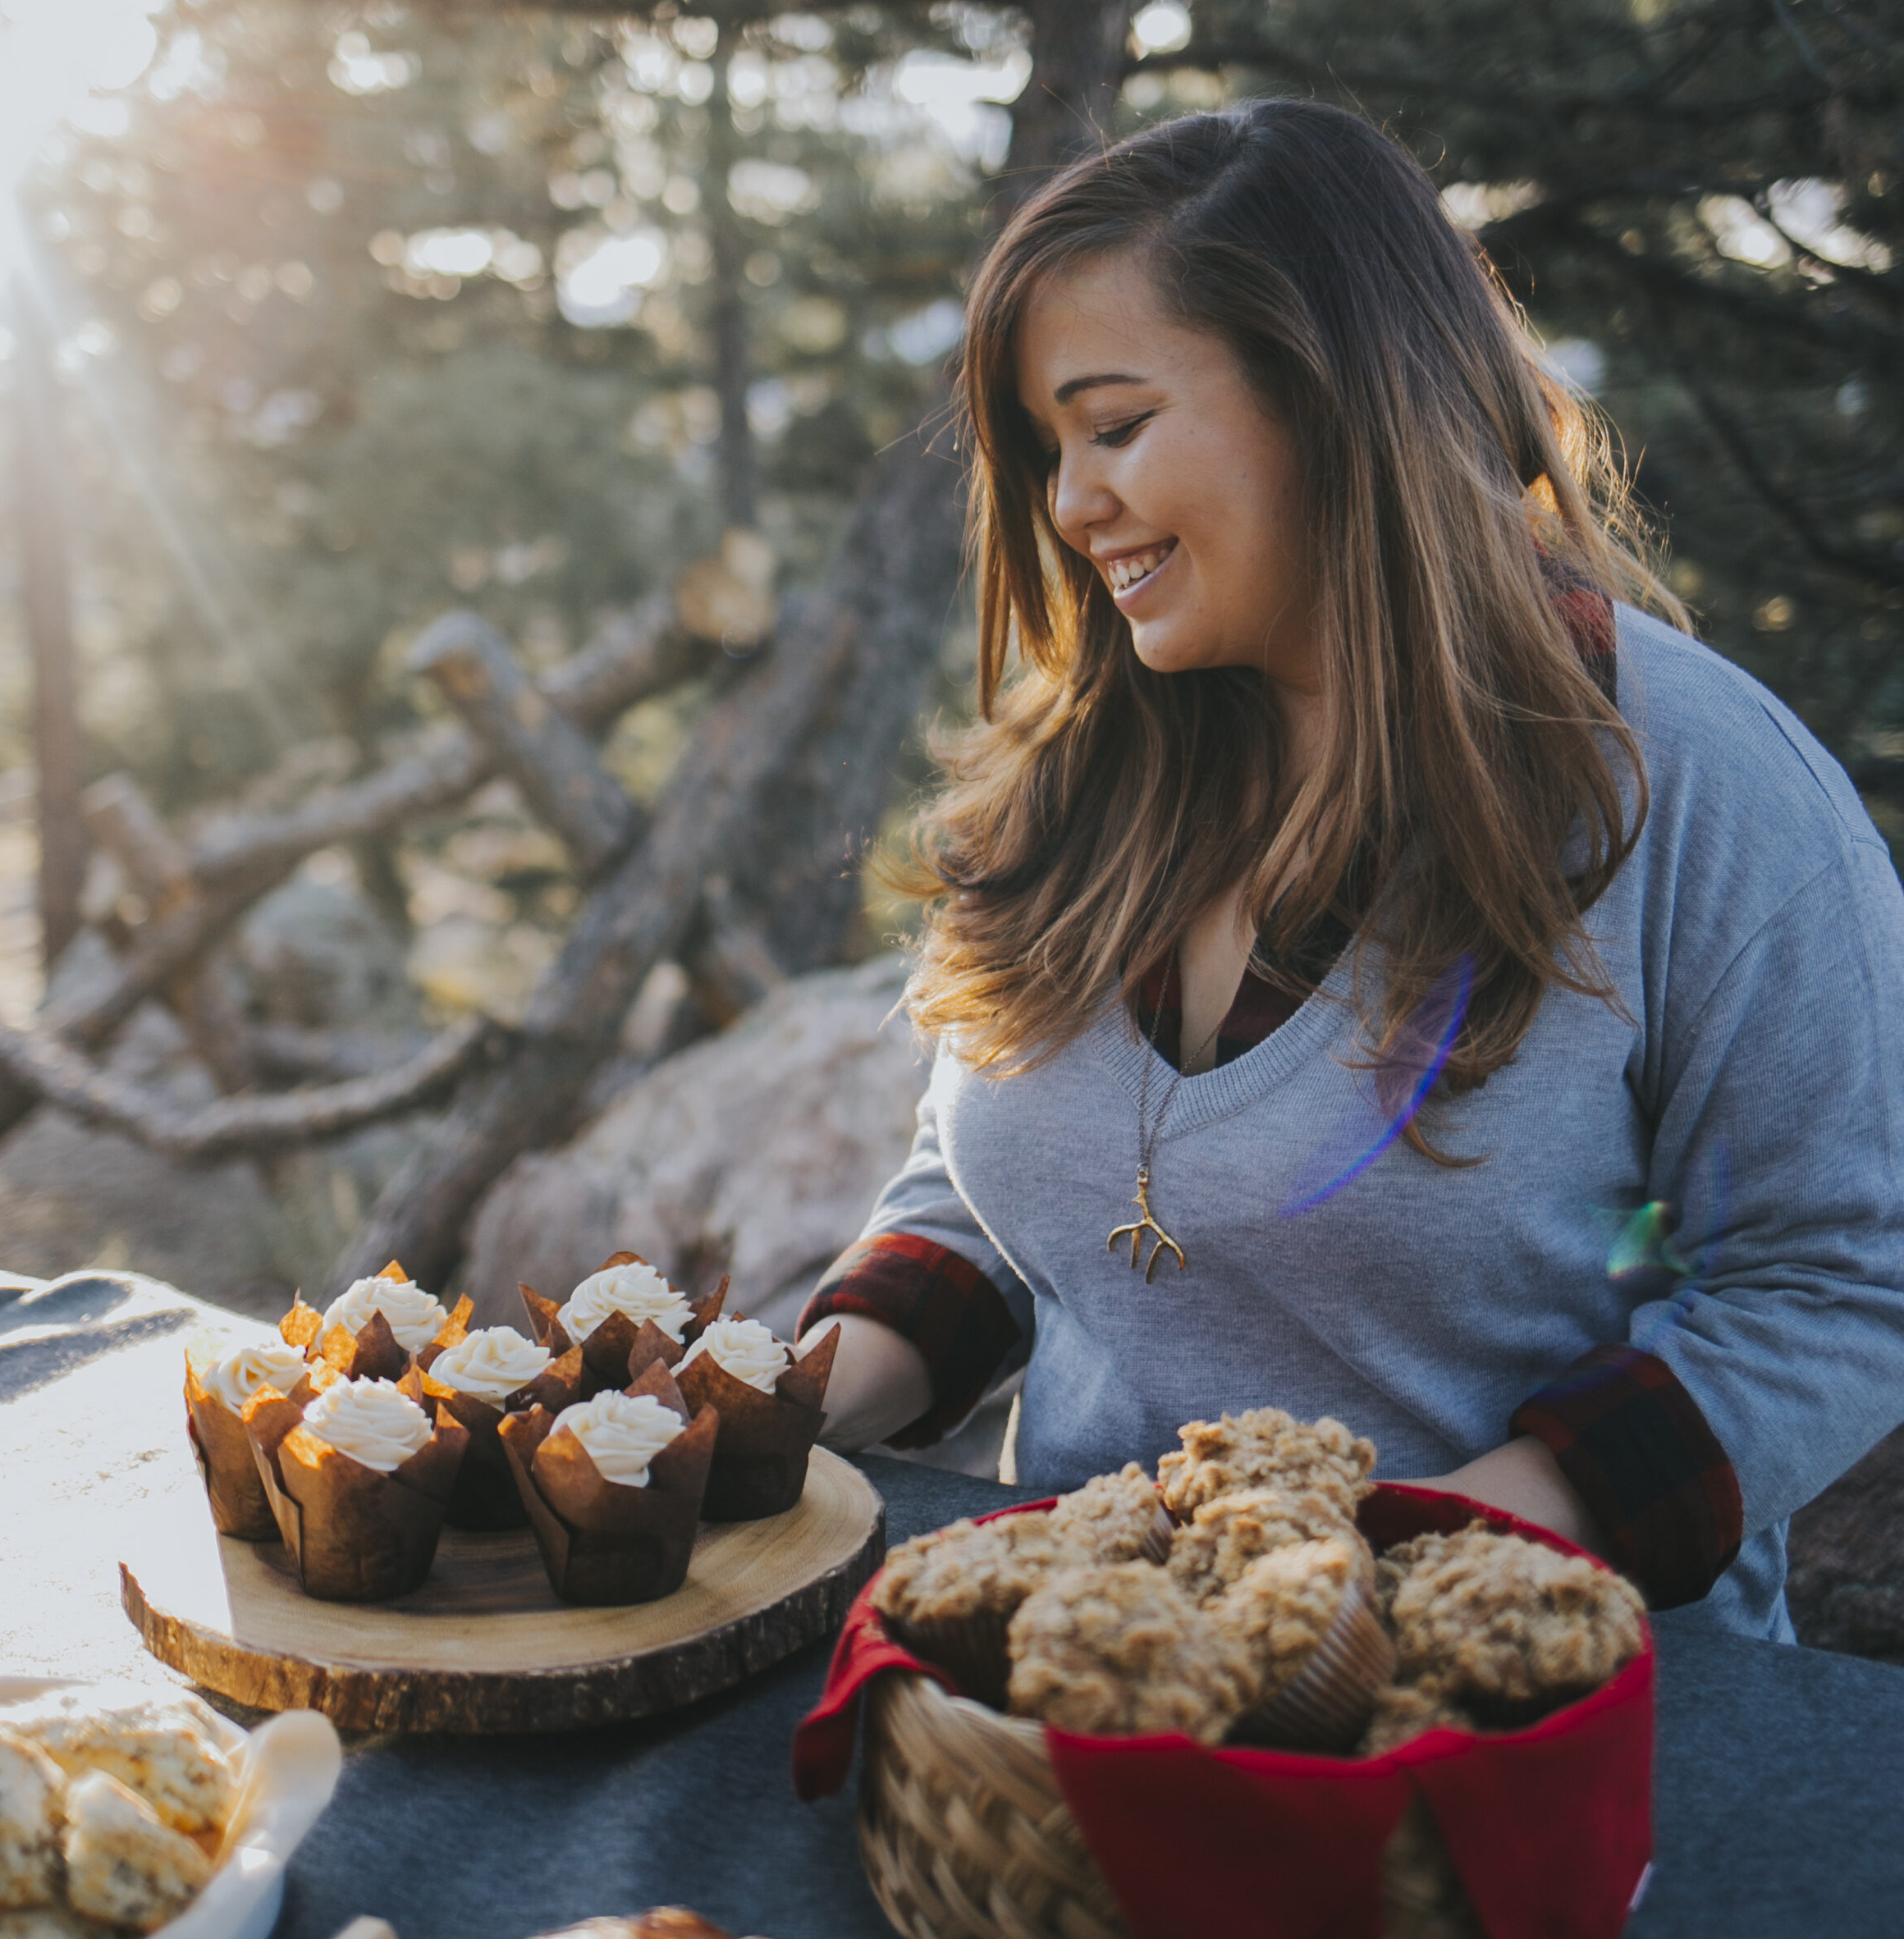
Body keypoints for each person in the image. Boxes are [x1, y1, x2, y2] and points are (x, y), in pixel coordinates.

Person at [803, 101, 1904, 1635]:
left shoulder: (1701, 786)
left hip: (1531, 1726)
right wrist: (780, 1412)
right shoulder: (1087, 767)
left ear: (1335, 392)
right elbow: (991, 1192)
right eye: (1050, 449)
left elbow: (1847, 1283)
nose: (1069, 505)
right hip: (1068, 1689)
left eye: (1114, 426)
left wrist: (1392, 1568)